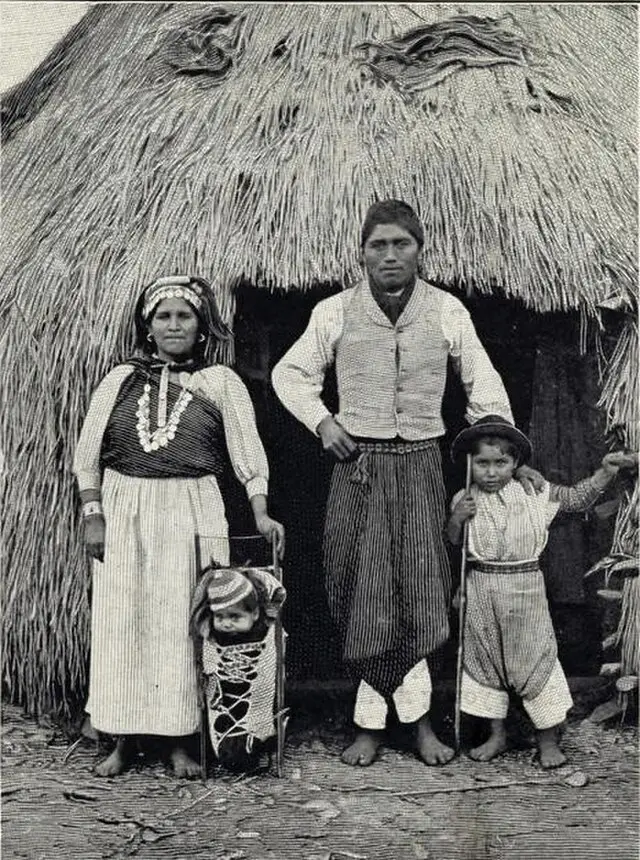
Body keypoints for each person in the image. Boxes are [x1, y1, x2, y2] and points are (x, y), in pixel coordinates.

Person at [271, 199, 542, 767]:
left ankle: (420, 726)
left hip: (421, 466)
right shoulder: (334, 311)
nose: (390, 256)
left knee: (419, 594)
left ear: (419, 250)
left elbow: (483, 384)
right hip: (357, 471)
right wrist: (324, 423)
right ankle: (369, 728)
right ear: (362, 252)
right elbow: (290, 373)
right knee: (361, 594)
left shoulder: (447, 311)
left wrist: (509, 451)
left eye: (401, 245)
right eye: (378, 246)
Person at [73, 274, 285, 778]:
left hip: (193, 507)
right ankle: (123, 739)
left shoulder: (220, 383)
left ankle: (181, 741)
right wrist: (93, 515)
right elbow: (87, 458)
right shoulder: (119, 379)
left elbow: (247, 457)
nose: (173, 325)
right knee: (124, 621)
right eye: (163, 317)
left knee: (182, 622)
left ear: (200, 325)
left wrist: (259, 510)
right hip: (126, 507)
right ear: (148, 326)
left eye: (183, 316)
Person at [447, 415, 636, 768]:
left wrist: (606, 471)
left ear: (516, 463)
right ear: (470, 463)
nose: (491, 472)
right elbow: (455, 546)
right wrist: (456, 519)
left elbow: (577, 499)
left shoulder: (533, 491)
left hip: (524, 590)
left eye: (501, 463)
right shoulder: (464, 497)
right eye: (482, 463)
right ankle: (497, 734)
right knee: (486, 663)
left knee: (536, 662)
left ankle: (547, 740)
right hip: (481, 587)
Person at [190, 564, 286, 772]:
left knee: (260, 703)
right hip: (225, 693)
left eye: (235, 617)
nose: (226, 624)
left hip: (255, 689)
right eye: (220, 617)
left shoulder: (263, 629)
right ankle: (227, 739)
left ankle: (256, 736)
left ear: (254, 614)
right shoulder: (214, 636)